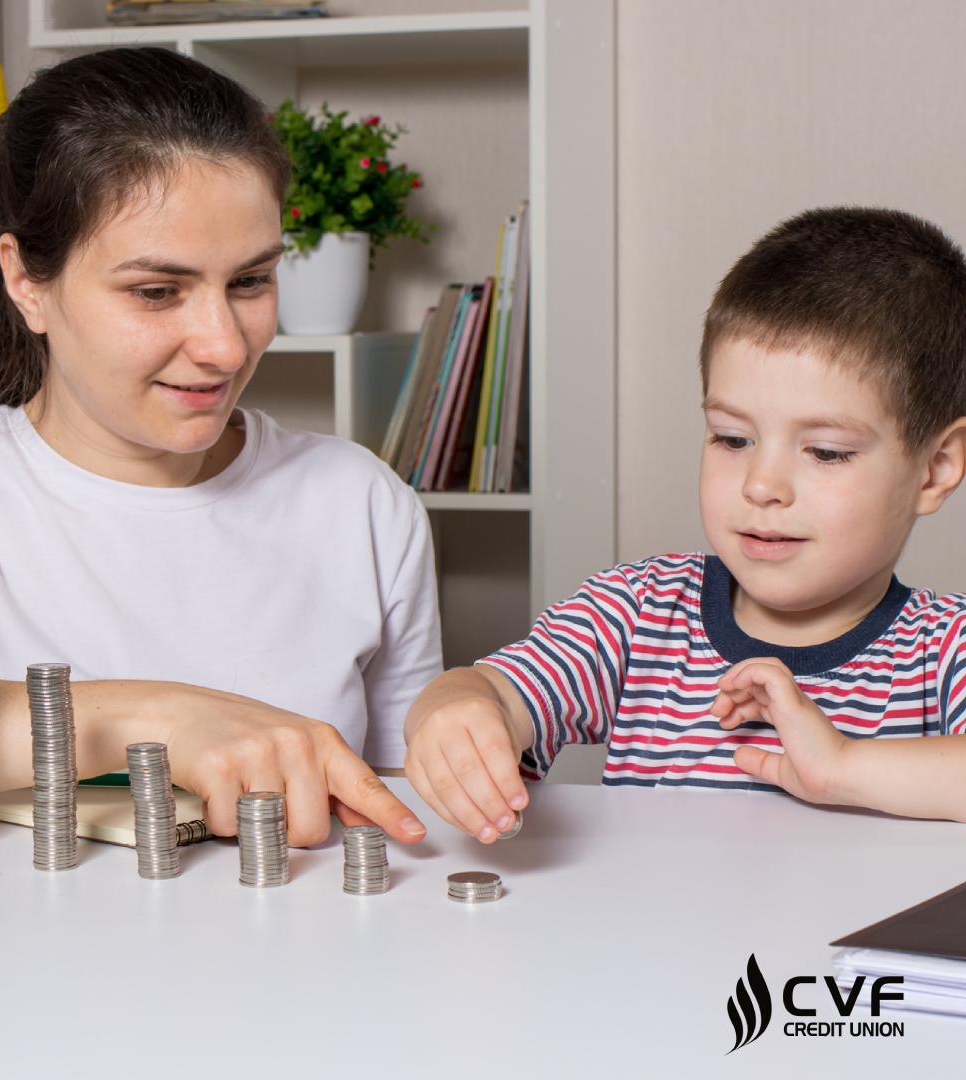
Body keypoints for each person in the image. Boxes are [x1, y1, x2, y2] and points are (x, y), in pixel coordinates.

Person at [0, 47, 442, 847]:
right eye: (156, 292)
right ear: (26, 282)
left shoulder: (360, 503)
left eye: (250, 281)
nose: (223, 345)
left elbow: (401, 819)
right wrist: (156, 719)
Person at [405, 206, 966, 841]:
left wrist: (842, 766)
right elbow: (497, 692)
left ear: (934, 469)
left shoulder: (944, 650)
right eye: (732, 438)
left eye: (825, 451)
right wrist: (455, 708)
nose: (762, 485)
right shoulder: (635, 612)